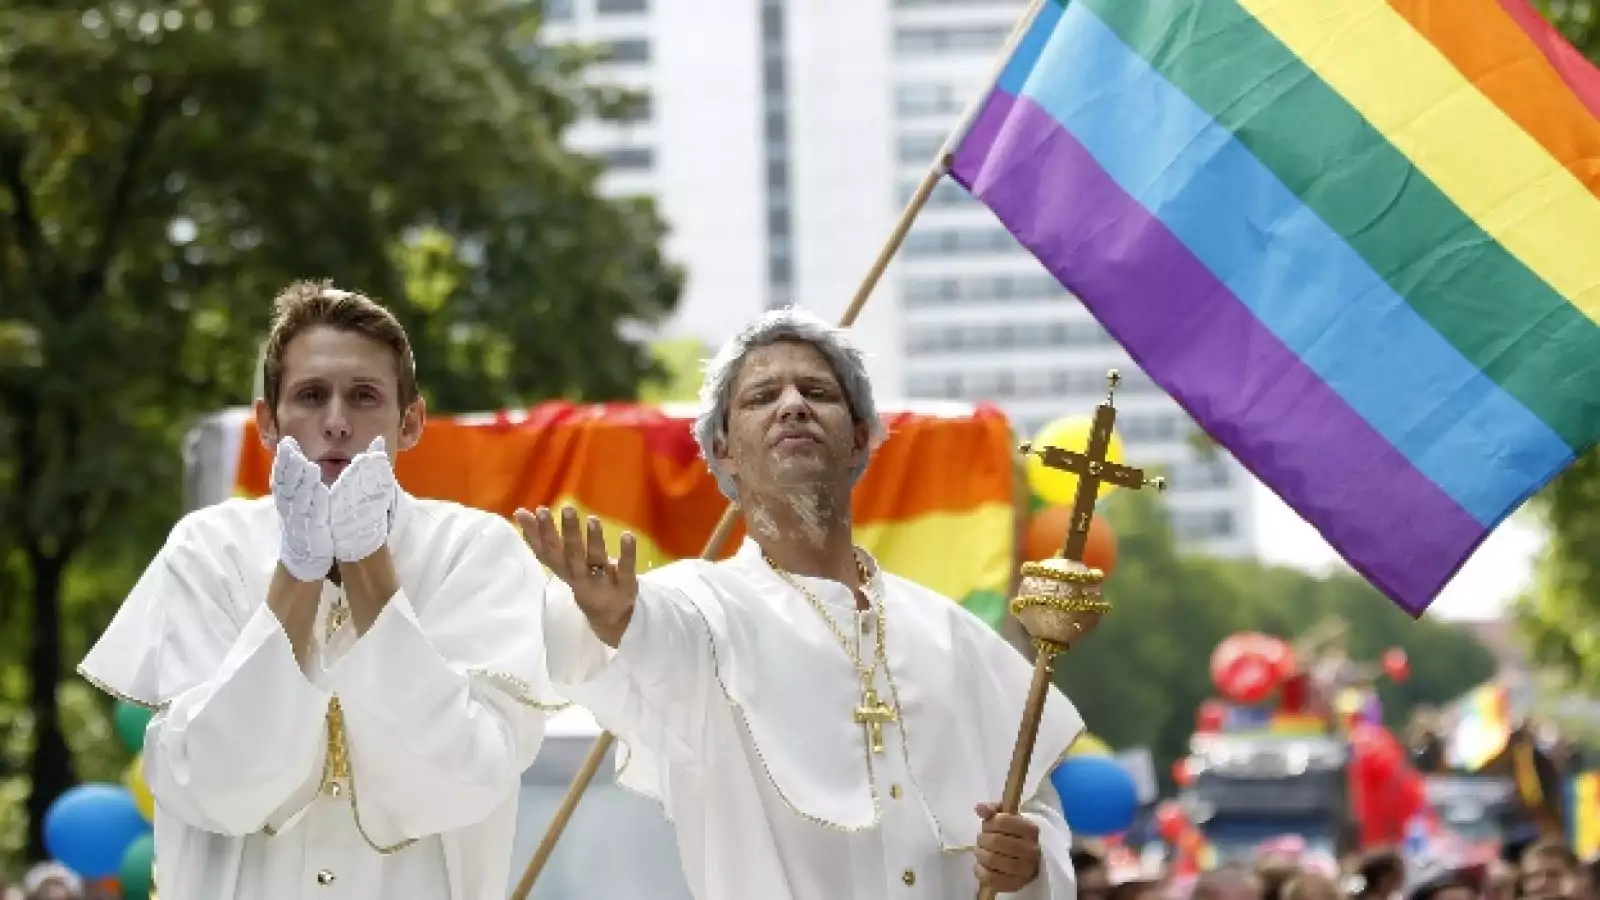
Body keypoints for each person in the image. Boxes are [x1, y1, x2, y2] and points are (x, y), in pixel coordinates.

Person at [525, 307, 1084, 899]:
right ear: (724, 449)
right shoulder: (701, 608)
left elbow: (1038, 821)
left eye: (817, 391)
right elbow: (641, 636)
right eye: (762, 397)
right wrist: (613, 615)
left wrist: (1029, 867)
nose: (793, 404)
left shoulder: (955, 635)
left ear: (860, 437)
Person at [78, 281, 563, 900]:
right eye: (310, 396)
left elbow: (456, 783)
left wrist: (368, 565)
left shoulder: (474, 552)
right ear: (267, 422)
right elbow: (216, 786)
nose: (336, 423)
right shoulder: (209, 549)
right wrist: (298, 570)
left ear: (410, 422)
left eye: (364, 397)